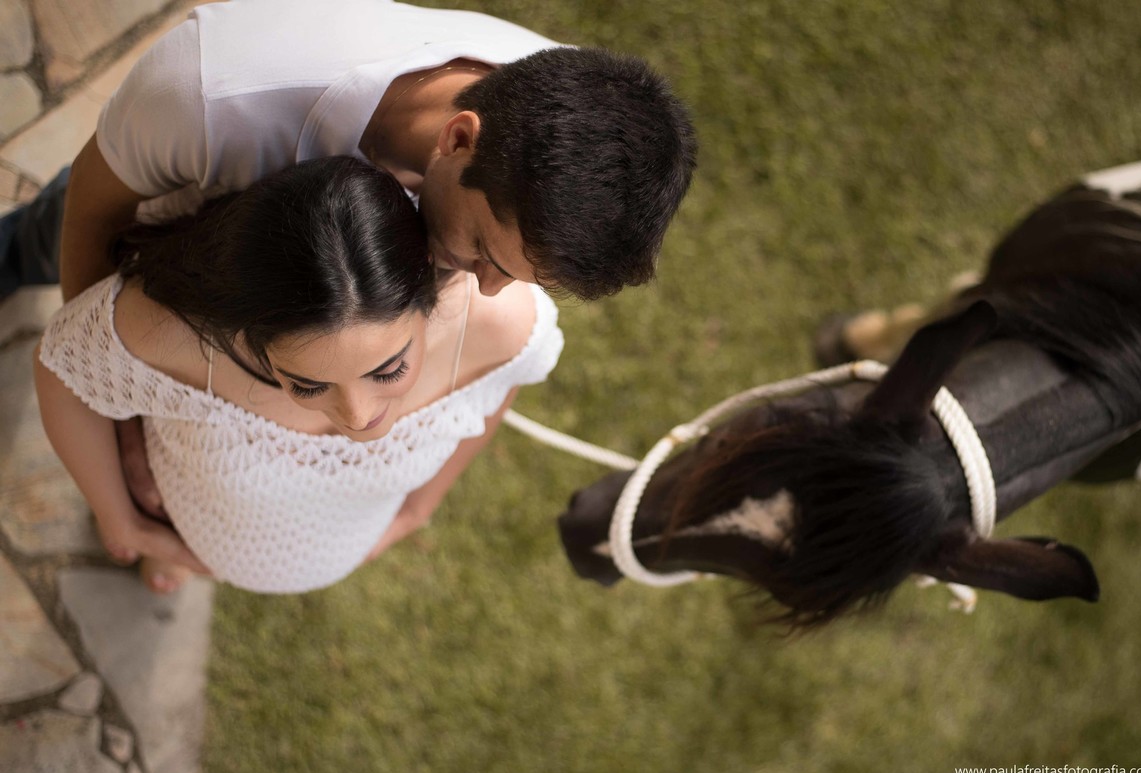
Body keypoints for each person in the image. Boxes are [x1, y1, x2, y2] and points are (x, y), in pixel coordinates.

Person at [3, 0, 696, 576]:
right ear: (459, 138)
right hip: (169, 205)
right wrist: (124, 413)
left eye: (517, 275)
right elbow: (94, 217)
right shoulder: (211, 96)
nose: (488, 291)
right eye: (485, 252)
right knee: (38, 238)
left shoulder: (578, 134)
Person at [34, 156, 563, 594]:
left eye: (389, 369)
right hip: (189, 523)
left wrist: (419, 509)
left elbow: (500, 389)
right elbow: (60, 370)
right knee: (172, 555)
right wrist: (121, 519)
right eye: (307, 385)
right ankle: (173, 557)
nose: (357, 416)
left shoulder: (503, 329)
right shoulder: (173, 332)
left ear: (426, 288)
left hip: (339, 546)